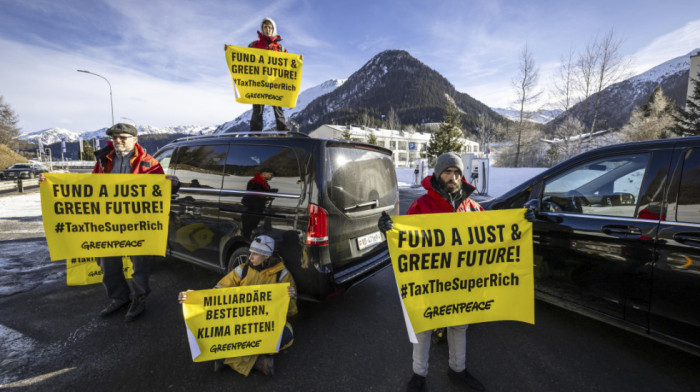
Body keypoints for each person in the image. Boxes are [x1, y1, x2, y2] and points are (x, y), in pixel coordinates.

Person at [178, 235, 297, 377]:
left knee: (286, 336)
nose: (250, 256)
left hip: (264, 324)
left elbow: (291, 312)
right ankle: (258, 363)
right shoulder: (242, 269)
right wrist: (193, 297)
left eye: (255, 254)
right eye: (250, 252)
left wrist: (289, 298)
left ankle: (224, 358)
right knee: (217, 330)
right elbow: (217, 293)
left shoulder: (283, 275)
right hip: (241, 323)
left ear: (266, 256)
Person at [93, 123, 168, 323]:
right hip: (109, 222)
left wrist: (172, 184)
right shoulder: (103, 160)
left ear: (135, 140)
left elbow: (159, 192)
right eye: (115, 137)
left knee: (139, 265)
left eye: (123, 137)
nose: (118, 140)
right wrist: (50, 182)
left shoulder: (150, 163)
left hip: (138, 224)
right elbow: (89, 186)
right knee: (107, 261)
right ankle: (119, 298)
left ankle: (139, 298)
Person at [248, 17, 293, 132]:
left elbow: (288, 64)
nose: (267, 29)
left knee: (278, 108)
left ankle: (283, 132)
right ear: (262, 29)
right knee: (257, 109)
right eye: (265, 27)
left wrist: (298, 60)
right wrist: (229, 50)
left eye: (269, 27)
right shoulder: (254, 45)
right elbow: (243, 58)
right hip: (259, 82)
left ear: (273, 29)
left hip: (275, 82)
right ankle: (255, 134)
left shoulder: (280, 48)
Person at [241, 168, 277, 238]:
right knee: (248, 229)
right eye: (270, 175)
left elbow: (261, 192)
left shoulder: (262, 182)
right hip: (252, 209)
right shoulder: (255, 181)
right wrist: (267, 194)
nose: (271, 176)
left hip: (257, 209)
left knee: (252, 227)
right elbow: (254, 194)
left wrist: (270, 192)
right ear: (264, 173)